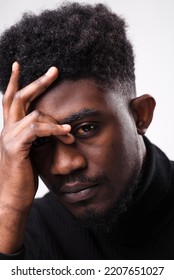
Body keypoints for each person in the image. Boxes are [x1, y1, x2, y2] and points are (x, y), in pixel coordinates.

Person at [0, 2, 173, 260]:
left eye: (86, 128)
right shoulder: (20, 234)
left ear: (141, 115)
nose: (64, 165)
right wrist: (9, 210)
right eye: (39, 141)